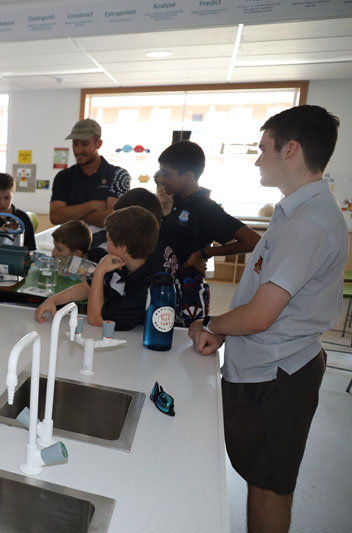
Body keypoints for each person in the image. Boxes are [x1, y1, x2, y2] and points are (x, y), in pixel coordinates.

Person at [188, 105, 345, 533]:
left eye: (263, 149)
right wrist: (226, 331)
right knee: (261, 476)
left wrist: (212, 325)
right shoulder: (294, 212)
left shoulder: (309, 222)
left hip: (280, 373)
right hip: (266, 365)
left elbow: (260, 315)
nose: (258, 160)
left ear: (290, 150)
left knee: (269, 485)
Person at [156, 141, 260, 326]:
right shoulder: (175, 202)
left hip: (188, 295)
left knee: (186, 340)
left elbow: (253, 241)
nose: (161, 179)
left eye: (167, 174)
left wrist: (204, 253)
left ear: (188, 176)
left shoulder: (205, 208)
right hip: (166, 288)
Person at [35, 206, 159, 330]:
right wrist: (53, 300)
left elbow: (96, 319)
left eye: (108, 241)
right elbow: (86, 288)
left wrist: (99, 271)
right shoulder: (120, 265)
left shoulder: (144, 287)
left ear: (122, 247)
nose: (106, 246)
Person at [49, 118, 130, 262]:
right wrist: (92, 205)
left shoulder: (118, 175)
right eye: (75, 144)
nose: (78, 150)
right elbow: (55, 216)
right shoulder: (63, 177)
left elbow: (112, 219)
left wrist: (71, 212)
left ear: (98, 144)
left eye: (84, 144)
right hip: (67, 256)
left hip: (105, 256)